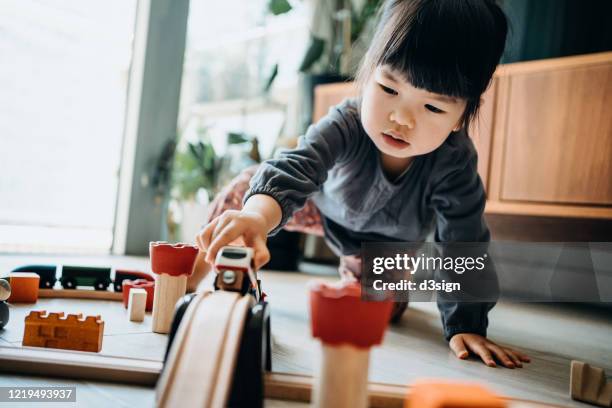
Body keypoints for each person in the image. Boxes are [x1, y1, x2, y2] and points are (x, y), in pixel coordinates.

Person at [191, 0, 530, 369]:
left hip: (383, 243)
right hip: (320, 208)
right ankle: (194, 269)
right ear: (367, 74)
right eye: (388, 88)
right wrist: (257, 217)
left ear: (461, 117)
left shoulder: (454, 163)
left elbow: (463, 242)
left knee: (378, 309)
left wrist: (467, 325)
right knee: (247, 191)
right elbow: (296, 166)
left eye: (432, 108)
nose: (401, 119)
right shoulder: (346, 123)